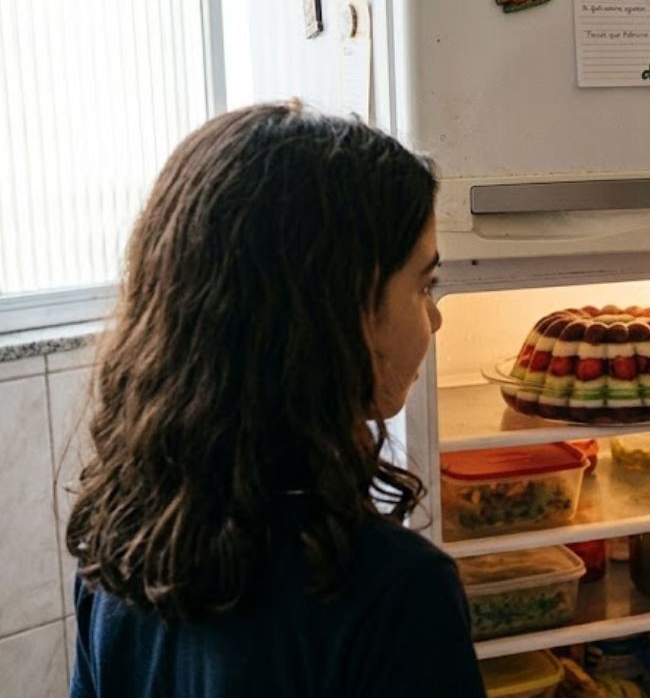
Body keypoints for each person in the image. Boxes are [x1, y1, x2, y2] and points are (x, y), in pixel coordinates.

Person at [65, 102, 486, 697]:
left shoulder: (117, 545)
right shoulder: (393, 592)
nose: (435, 319)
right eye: (424, 285)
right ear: (339, 313)